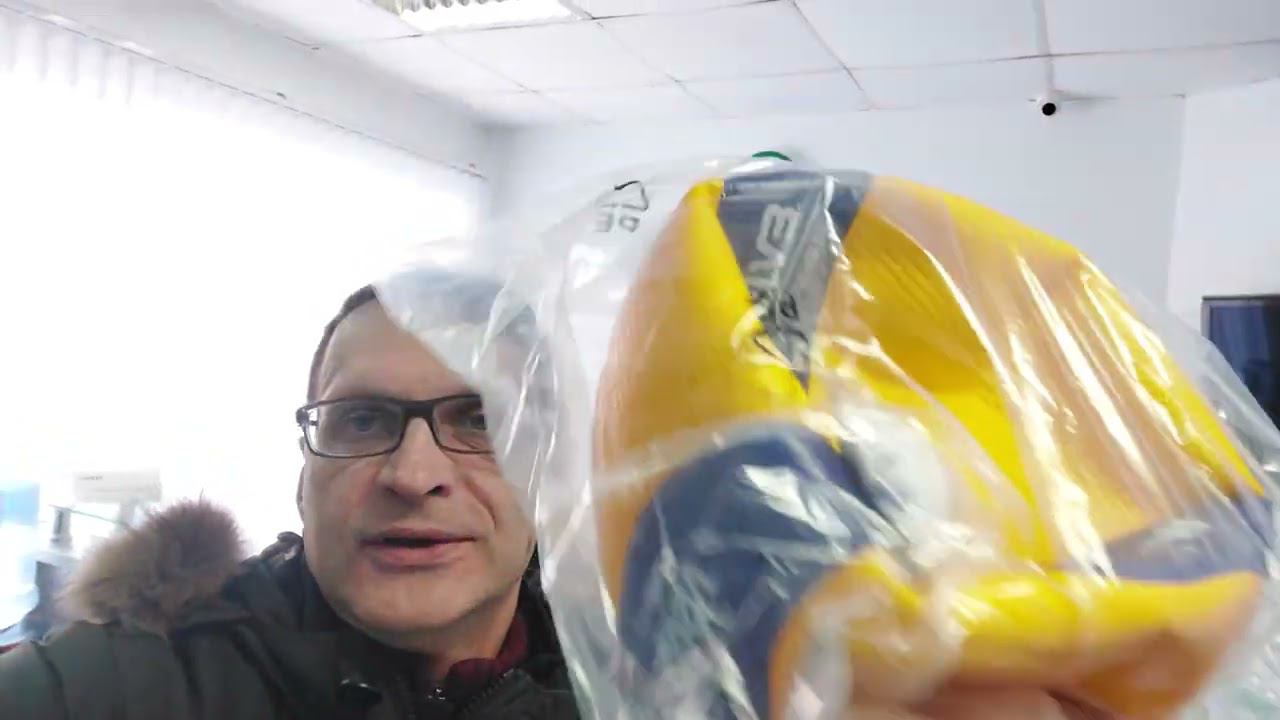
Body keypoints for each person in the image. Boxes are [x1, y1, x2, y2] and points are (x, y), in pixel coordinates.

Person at [0, 280, 581, 719]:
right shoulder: (110, 685)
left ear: (552, 475)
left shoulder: (620, 688)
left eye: (481, 420)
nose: (413, 474)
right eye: (361, 420)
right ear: (305, 482)